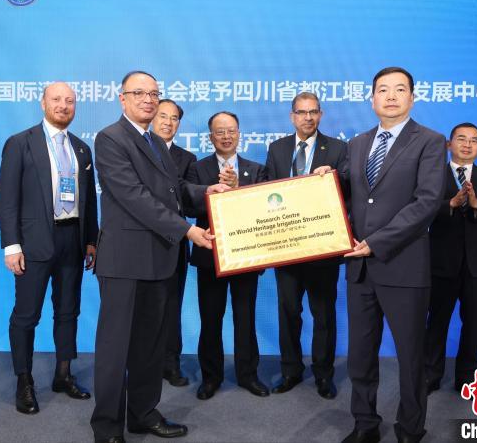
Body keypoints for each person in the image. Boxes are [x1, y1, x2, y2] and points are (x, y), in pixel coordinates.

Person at [90, 71, 227, 443]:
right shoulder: (111, 138)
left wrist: (208, 191)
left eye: (154, 93)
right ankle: (107, 427)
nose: (148, 99)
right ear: (122, 98)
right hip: (125, 262)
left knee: (150, 346)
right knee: (116, 349)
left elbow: (174, 190)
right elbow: (134, 197)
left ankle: (143, 414)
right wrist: (187, 230)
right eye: (139, 93)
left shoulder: (153, 141)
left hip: (159, 259)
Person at [332, 67, 446, 443]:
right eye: (383, 90)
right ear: (372, 99)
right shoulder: (357, 143)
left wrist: (378, 241)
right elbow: (349, 194)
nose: (391, 96)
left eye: (400, 89)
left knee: (410, 356)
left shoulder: (430, 141)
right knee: (361, 355)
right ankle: (364, 424)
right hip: (359, 267)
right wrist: (325, 182)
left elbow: (427, 202)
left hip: (403, 265)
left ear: (412, 97)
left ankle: (410, 428)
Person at [0, 82, 98, 415]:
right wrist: (12, 246)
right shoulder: (20, 143)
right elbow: (8, 199)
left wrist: (91, 240)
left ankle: (63, 374)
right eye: (56, 99)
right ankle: (24, 381)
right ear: (43, 103)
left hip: (73, 240)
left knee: (68, 311)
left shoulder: (81, 149)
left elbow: (89, 200)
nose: (63, 105)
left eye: (70, 101)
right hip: (34, 242)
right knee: (27, 315)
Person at [264, 92, 347, 399]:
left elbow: (348, 189)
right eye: (301, 112)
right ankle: (291, 370)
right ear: (292, 116)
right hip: (286, 247)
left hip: (322, 247)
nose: (308, 117)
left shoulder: (337, 149)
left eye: (313, 112)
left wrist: (333, 177)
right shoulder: (277, 148)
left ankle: (324, 375)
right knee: (288, 312)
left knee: (323, 315)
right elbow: (266, 193)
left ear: (320, 115)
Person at [424, 122, 477, 402]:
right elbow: (420, 210)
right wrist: (450, 204)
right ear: (449, 144)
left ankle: (466, 380)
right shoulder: (432, 175)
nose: (467, 144)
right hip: (441, 262)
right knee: (436, 321)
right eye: (461, 139)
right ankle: (430, 376)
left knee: (474, 323)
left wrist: (476, 205)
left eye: (474, 140)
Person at [186, 111, 270, 401]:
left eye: (231, 131)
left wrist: (237, 189)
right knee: (211, 319)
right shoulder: (197, 169)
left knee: (245, 318)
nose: (226, 136)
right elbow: (190, 207)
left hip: (246, 254)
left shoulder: (256, 170)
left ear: (239, 134)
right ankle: (211, 377)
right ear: (211, 137)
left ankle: (248, 375)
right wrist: (216, 193)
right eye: (220, 132)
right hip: (210, 255)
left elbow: (264, 208)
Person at [151, 99, 197, 387]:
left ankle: (171, 364)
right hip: (142, 242)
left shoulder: (187, 159)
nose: (168, 122)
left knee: (171, 306)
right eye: (163, 116)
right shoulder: (136, 150)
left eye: (174, 118)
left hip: (175, 243)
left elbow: (189, 204)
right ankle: (143, 363)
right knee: (143, 307)